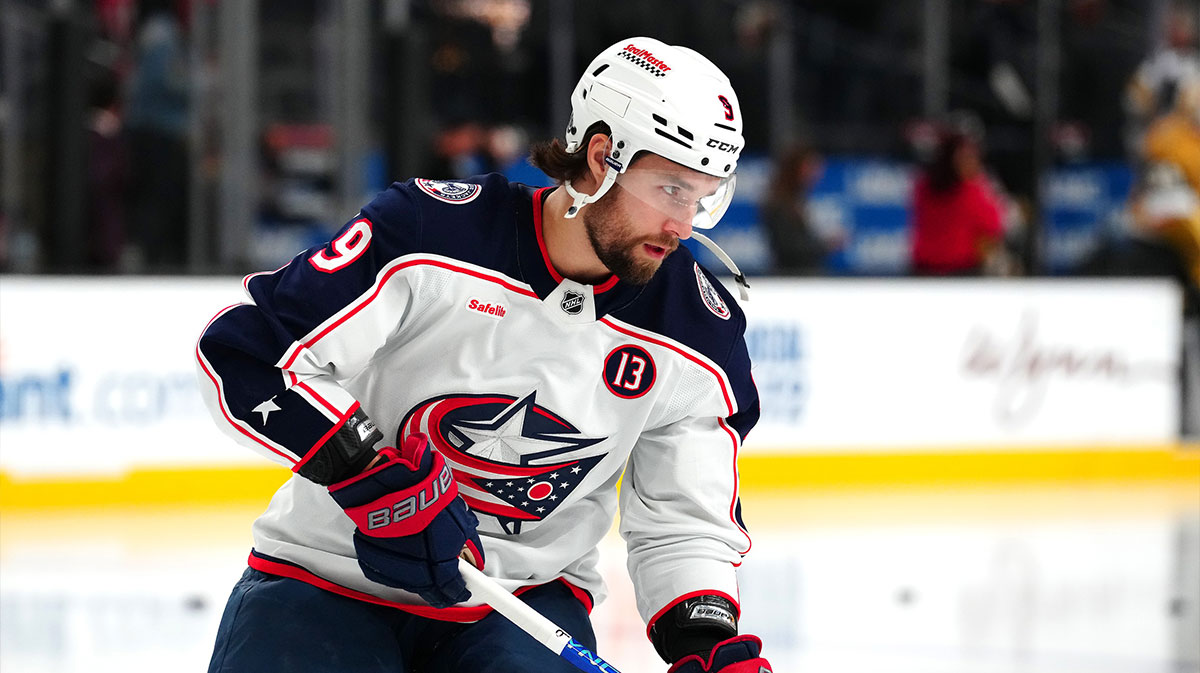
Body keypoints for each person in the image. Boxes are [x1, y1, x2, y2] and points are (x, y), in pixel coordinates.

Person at [196, 37, 772, 673]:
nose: (683, 226)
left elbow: (684, 520)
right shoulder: (429, 233)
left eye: (703, 198)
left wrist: (706, 643)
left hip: (522, 608)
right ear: (601, 157)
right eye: (670, 189)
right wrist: (367, 474)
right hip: (326, 578)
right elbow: (248, 354)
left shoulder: (700, 330)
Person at [909, 127, 1006, 276]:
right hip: (960, 271)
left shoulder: (922, 186)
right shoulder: (971, 190)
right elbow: (994, 225)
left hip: (923, 269)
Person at [761, 144, 833, 275]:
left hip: (805, 275)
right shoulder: (778, 203)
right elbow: (789, 247)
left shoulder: (797, 200)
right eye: (810, 166)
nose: (815, 173)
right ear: (795, 168)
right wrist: (826, 245)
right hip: (791, 277)